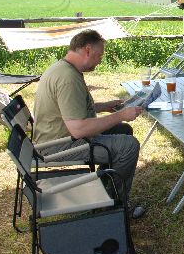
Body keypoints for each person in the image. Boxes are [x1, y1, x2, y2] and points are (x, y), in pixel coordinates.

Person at [33, 30, 145, 218]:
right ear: (87, 50)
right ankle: (115, 208)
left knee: (124, 131)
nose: (100, 60)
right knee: (129, 146)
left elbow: (72, 110)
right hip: (59, 145)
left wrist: (104, 106)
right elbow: (78, 129)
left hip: (56, 136)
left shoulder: (63, 68)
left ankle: (105, 187)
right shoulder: (68, 78)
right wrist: (121, 115)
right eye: (99, 55)